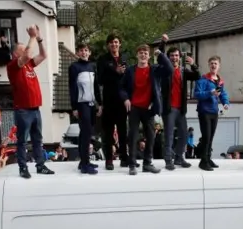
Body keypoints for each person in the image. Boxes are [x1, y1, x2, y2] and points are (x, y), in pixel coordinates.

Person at [6, 24, 55, 179]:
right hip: (23, 109)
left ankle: (40, 165)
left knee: (37, 139)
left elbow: (43, 55)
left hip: (35, 108)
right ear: (16, 53)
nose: (27, 49)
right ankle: (23, 167)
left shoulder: (28, 65)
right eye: (22, 48)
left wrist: (39, 39)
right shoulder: (13, 65)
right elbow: (27, 55)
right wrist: (32, 37)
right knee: (22, 140)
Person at [119, 39, 172, 175]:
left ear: (149, 56)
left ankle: (147, 163)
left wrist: (160, 55)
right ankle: (132, 164)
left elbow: (169, 69)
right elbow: (121, 88)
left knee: (151, 136)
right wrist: (125, 99)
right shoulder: (130, 71)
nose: (143, 55)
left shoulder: (154, 69)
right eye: (141, 53)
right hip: (135, 108)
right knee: (133, 135)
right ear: (137, 55)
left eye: (145, 53)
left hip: (149, 108)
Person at [159, 44, 200, 170]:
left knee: (184, 134)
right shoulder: (165, 70)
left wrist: (193, 65)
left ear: (179, 57)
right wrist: (162, 43)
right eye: (172, 56)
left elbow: (197, 76)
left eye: (176, 55)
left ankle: (178, 157)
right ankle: (168, 160)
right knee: (169, 135)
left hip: (181, 108)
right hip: (169, 108)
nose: (174, 58)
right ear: (168, 57)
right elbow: (160, 57)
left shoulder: (183, 71)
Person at [97, 33, 131, 170]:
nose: (114, 44)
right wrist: (115, 72)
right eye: (111, 42)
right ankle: (109, 160)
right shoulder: (103, 59)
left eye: (116, 42)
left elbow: (128, 80)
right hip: (109, 100)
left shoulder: (125, 58)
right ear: (108, 45)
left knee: (123, 132)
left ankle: (124, 158)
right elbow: (100, 79)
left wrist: (128, 98)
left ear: (120, 44)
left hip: (122, 102)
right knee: (108, 132)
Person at [69, 43, 102, 175]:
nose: (84, 53)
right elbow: (72, 87)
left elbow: (95, 86)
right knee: (86, 133)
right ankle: (85, 164)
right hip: (81, 104)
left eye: (86, 50)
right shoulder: (74, 67)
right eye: (81, 51)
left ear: (89, 53)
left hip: (91, 103)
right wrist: (74, 107)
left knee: (86, 133)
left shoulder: (92, 66)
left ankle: (83, 161)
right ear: (78, 53)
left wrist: (100, 103)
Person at [194, 55, 229, 171]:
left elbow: (223, 93)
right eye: (211, 63)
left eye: (216, 63)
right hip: (204, 111)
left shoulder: (220, 80)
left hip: (214, 111)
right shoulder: (203, 80)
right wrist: (210, 92)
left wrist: (225, 103)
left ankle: (208, 158)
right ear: (209, 65)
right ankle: (203, 161)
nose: (213, 65)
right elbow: (197, 94)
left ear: (219, 66)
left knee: (211, 137)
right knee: (206, 136)